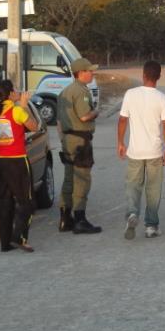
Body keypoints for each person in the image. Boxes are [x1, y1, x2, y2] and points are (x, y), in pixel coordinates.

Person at [117, 61, 165, 239]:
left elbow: (123, 120)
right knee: (153, 189)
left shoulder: (130, 94)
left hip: (135, 151)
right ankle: (151, 226)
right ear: (159, 77)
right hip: (155, 151)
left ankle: (132, 213)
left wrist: (120, 142)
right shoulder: (162, 98)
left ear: (143, 75)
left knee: (133, 186)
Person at [0, 80, 39, 252]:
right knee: (26, 202)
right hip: (17, 162)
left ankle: (5, 243)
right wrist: (23, 106)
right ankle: (20, 237)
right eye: (15, 89)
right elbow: (34, 126)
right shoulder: (16, 111)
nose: (18, 91)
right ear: (9, 94)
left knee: (4, 202)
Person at [57, 58, 102, 234]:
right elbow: (84, 116)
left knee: (69, 178)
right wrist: (96, 112)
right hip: (81, 141)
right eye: (90, 71)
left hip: (67, 140)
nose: (92, 73)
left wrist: (63, 140)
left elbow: (59, 122)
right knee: (82, 179)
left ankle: (64, 218)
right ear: (81, 73)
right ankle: (80, 219)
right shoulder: (81, 91)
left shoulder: (64, 92)